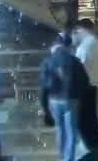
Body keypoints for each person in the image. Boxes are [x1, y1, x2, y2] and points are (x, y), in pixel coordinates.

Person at [38, 32, 93, 161]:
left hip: (54, 101)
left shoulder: (48, 61)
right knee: (71, 132)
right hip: (71, 100)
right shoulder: (74, 61)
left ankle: (62, 156)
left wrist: (45, 110)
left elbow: (43, 88)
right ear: (67, 45)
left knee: (60, 130)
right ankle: (69, 158)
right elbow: (85, 82)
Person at [71, 19, 98, 155]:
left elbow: (78, 71)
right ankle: (93, 150)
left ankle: (89, 152)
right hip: (92, 87)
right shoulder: (95, 44)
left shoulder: (84, 48)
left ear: (79, 31)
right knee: (91, 123)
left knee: (84, 124)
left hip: (84, 90)